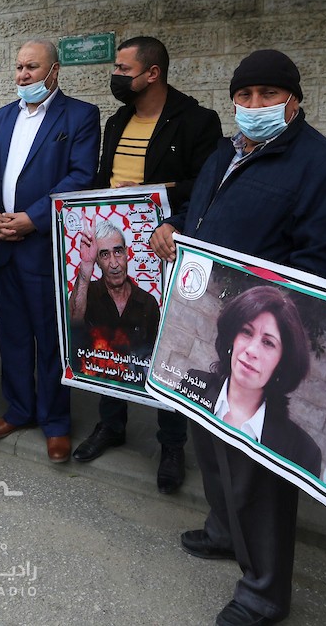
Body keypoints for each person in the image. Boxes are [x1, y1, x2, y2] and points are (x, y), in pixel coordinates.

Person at [151, 49, 326, 626]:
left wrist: (268, 303)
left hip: (264, 328)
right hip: (213, 321)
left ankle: (264, 592)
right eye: (243, 95)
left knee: (257, 465)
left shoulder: (324, 168)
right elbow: (200, 212)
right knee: (209, 432)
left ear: (294, 101)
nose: (254, 105)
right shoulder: (226, 152)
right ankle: (224, 530)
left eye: (268, 94)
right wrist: (173, 227)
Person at [72, 35, 223, 494]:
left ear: (152, 73)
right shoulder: (117, 120)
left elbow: (207, 183)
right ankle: (110, 424)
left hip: (165, 246)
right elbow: (103, 178)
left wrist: (159, 198)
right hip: (115, 240)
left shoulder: (197, 121)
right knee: (106, 333)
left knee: (165, 342)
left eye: (123, 69)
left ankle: (172, 444)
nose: (116, 76)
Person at [0, 39, 99, 464]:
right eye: (19, 67)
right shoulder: (2, 117)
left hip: (44, 246)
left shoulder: (80, 115)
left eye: (31, 67)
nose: (23, 75)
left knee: (50, 338)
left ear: (54, 71)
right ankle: (19, 409)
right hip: (4, 245)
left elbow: (81, 176)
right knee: (12, 336)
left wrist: (33, 218)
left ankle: (55, 422)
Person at [180, 285, 320, 474]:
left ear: (282, 362)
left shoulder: (303, 451)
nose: (252, 350)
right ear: (232, 337)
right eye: (246, 331)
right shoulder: (192, 386)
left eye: (268, 343)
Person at [68, 220, 160, 360]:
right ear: (97, 261)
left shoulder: (148, 302)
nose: (114, 263)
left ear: (126, 253)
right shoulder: (87, 294)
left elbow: (156, 355)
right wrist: (86, 265)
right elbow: (72, 322)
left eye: (118, 252)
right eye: (104, 255)